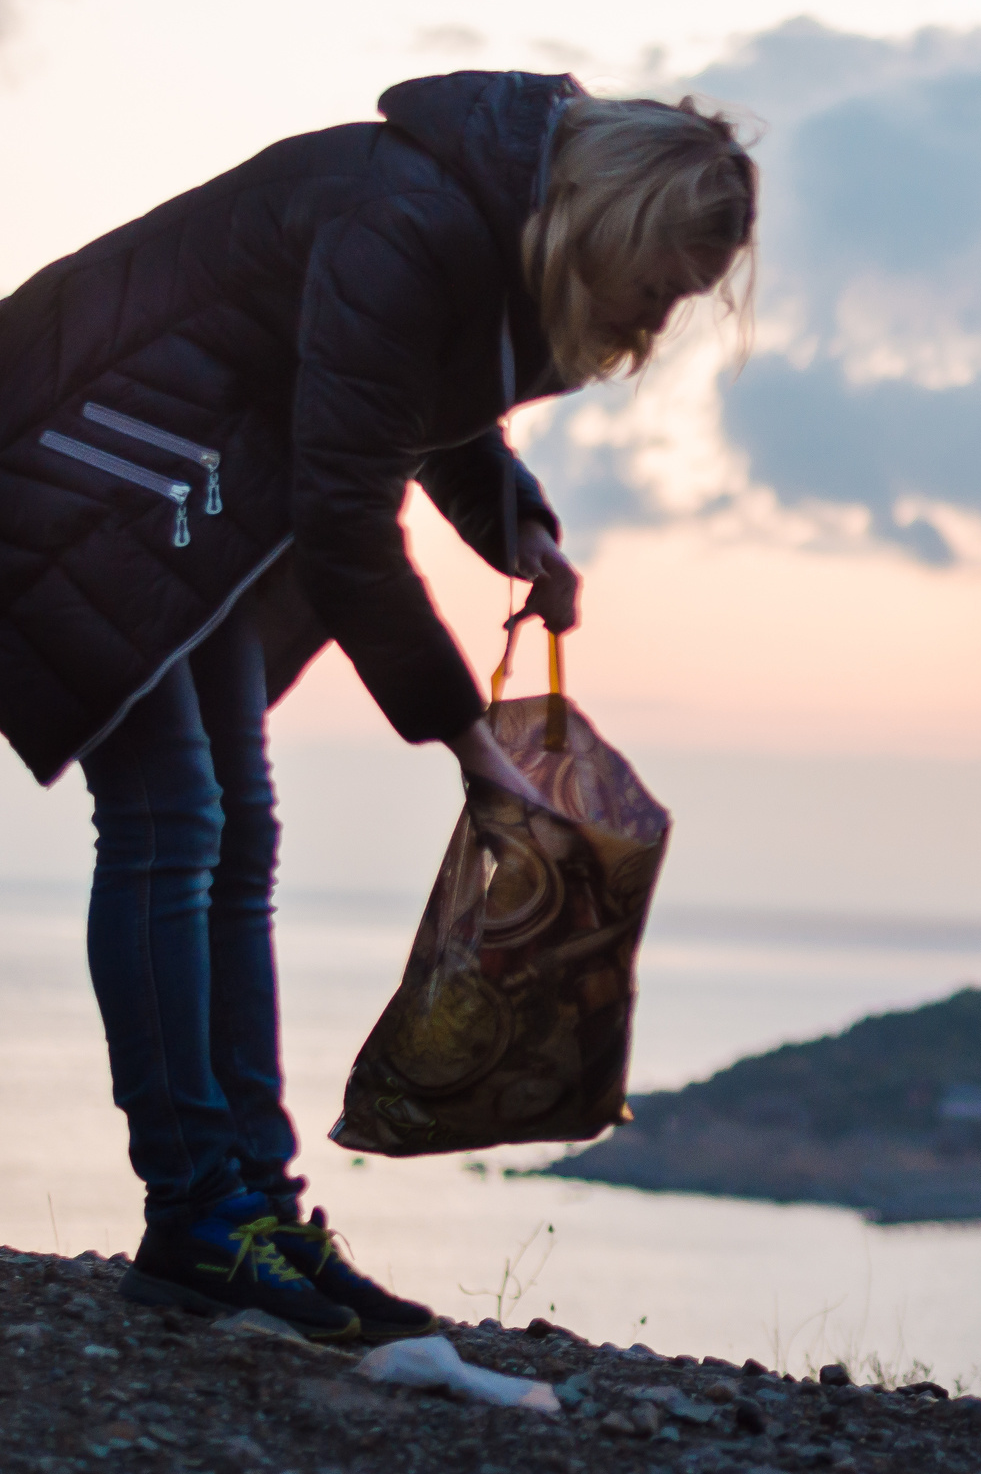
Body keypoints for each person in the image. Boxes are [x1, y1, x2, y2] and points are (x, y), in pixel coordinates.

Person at [0, 72, 756, 1339]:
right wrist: (469, 741)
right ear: (609, 219)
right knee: (173, 821)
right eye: (664, 281)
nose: (661, 316)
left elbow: (413, 401)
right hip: (72, 470)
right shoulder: (406, 218)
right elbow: (345, 517)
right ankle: (197, 1212)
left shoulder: (469, 227)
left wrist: (513, 526)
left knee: (237, 828)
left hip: (182, 504)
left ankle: (255, 1208)